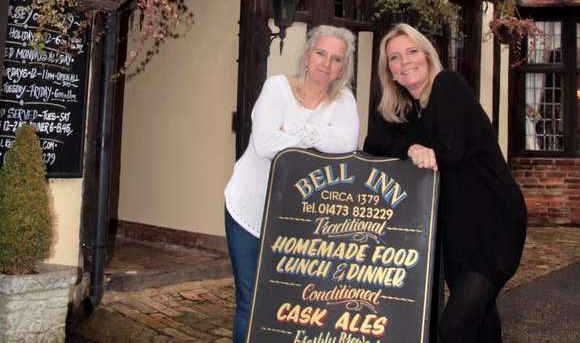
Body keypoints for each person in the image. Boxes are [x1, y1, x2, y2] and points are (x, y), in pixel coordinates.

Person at [364, 23, 527, 343]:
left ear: (427, 56)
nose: (405, 61)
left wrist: (426, 151)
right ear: (391, 73)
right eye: (395, 58)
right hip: (455, 231)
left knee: (454, 328)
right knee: (481, 321)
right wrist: (410, 148)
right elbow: (373, 142)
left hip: (493, 225)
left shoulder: (448, 86)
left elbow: (450, 150)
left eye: (412, 52)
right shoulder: (408, 111)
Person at [224, 25, 360, 343]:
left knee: (291, 302)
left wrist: (289, 130)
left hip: (297, 220)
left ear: (344, 66)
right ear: (307, 54)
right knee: (250, 299)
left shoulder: (344, 100)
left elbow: (347, 143)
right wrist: (315, 140)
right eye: (321, 53)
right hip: (249, 208)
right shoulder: (277, 88)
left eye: (336, 59)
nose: (326, 64)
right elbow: (265, 145)